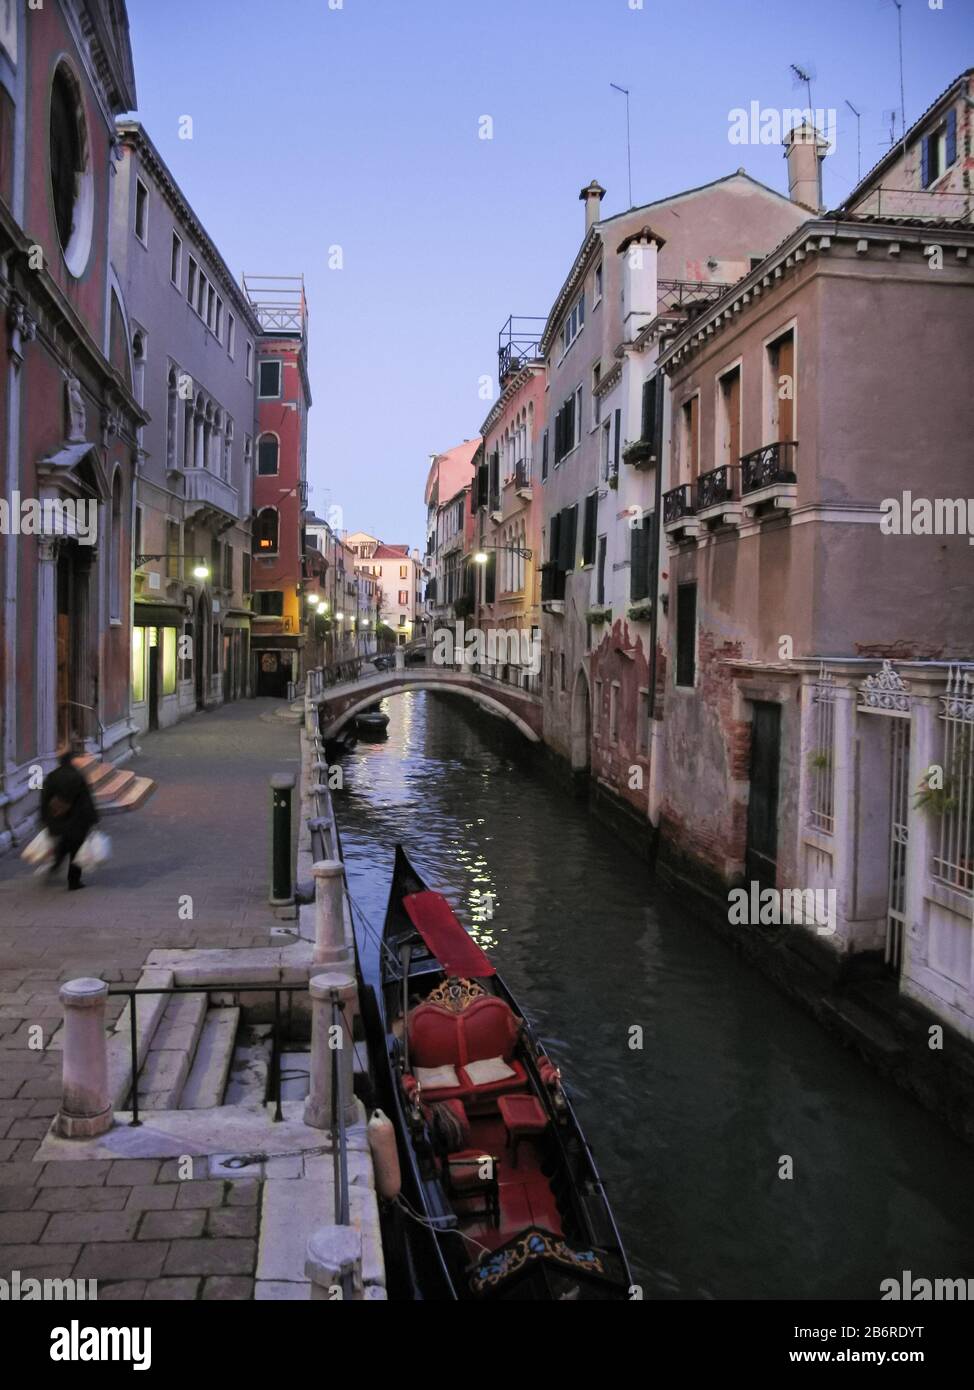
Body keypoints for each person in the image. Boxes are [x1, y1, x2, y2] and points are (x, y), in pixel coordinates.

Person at [40, 749, 99, 891]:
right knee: (75, 851)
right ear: (71, 761)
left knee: (65, 844)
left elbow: (45, 798)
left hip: (60, 820)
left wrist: (45, 818)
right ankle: (73, 881)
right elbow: (86, 799)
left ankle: (56, 864)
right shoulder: (77, 776)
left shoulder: (52, 777)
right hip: (78, 820)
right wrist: (93, 817)